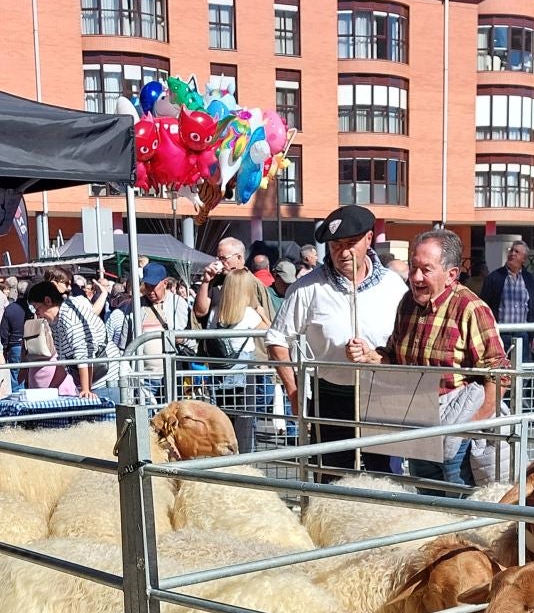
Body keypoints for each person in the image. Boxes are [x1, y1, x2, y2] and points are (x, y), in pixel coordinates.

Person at [349, 228, 510, 489]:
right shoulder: (407, 304)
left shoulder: (471, 309)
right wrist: (371, 355)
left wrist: (472, 426)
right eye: (413, 267)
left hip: (456, 425)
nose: (415, 277)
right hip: (417, 420)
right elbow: (394, 356)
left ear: (452, 275)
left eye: (426, 269)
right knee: (427, 503)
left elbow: (499, 372)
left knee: (460, 508)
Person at [273, 204, 408, 475]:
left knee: (387, 476)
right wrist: (294, 390)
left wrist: (377, 355)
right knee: (333, 475)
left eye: (351, 243)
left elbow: (407, 338)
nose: (343, 252)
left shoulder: (393, 286)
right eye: (335, 245)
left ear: (369, 239)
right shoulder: (307, 287)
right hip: (331, 395)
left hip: (382, 392)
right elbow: (277, 340)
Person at [205, 269, 275, 454]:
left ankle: (224, 457)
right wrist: (262, 312)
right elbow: (272, 331)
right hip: (244, 374)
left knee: (224, 419)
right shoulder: (249, 314)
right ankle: (243, 460)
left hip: (221, 375)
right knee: (245, 421)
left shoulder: (214, 314)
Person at [104, 260, 190, 401]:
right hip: (143, 378)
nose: (150, 291)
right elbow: (125, 344)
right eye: (147, 285)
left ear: (165, 283)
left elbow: (187, 336)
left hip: (171, 374)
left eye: (154, 286)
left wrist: (178, 338)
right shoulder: (135, 306)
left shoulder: (178, 303)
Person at [479, 241, 534, 331]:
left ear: (524, 259)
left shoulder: (529, 279)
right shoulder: (494, 277)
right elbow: (485, 305)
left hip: (523, 332)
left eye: (517, 252)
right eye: (511, 251)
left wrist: (533, 334)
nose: (512, 254)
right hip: (501, 332)